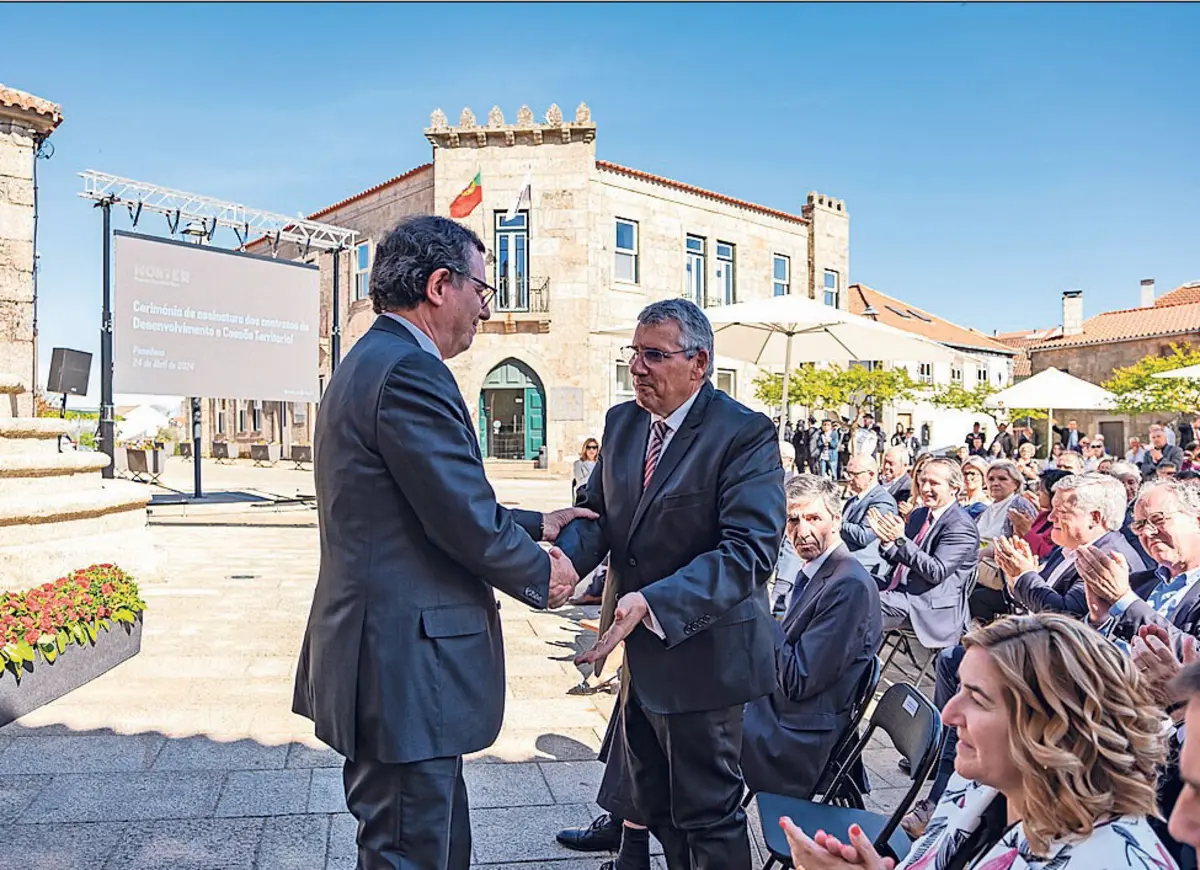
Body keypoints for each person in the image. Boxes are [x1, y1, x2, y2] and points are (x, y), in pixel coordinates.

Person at [292, 215, 590, 869]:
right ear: (438, 286)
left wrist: (537, 523)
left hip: (390, 664)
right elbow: (459, 519)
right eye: (481, 291)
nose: (485, 308)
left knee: (429, 841)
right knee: (411, 850)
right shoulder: (408, 372)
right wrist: (548, 577)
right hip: (402, 669)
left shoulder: (373, 358)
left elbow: (422, 501)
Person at [556, 298, 786, 870]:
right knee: (656, 807)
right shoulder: (622, 423)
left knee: (708, 818)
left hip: (706, 662)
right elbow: (600, 518)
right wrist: (557, 566)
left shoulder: (744, 434)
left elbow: (749, 552)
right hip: (641, 660)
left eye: (654, 355)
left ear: (698, 362)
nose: (638, 367)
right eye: (634, 353)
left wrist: (652, 601)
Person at [778, 613, 1172, 870]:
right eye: (959, 689)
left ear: (1053, 727)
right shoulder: (979, 785)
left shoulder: (1112, 860)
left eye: (978, 699)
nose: (948, 716)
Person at [741, 475, 882, 800]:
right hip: (782, 709)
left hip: (798, 734)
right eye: (793, 520)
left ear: (837, 520)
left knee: (690, 724)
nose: (802, 531)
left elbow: (798, 680)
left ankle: (700, 836)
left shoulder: (849, 585)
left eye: (813, 518)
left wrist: (759, 608)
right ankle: (635, 825)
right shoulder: (820, 572)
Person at [867, 457, 980, 651]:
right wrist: (887, 541)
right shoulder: (920, 514)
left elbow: (935, 571)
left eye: (934, 483)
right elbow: (902, 557)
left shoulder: (960, 526)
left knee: (857, 606)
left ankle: (852, 672)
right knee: (847, 584)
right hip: (899, 589)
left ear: (954, 488)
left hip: (926, 604)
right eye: (922, 481)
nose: (925, 488)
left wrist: (900, 540)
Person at [995, 472, 1145, 617]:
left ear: (1094, 517)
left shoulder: (1107, 558)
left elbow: (1067, 616)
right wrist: (1014, 576)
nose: (1051, 517)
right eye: (1052, 508)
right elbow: (1037, 596)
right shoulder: (1069, 546)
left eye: (1061, 511)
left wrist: (1024, 575)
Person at [840, 454, 900, 584]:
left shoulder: (883, 501)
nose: (848, 478)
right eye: (847, 473)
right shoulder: (852, 500)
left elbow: (864, 536)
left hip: (867, 568)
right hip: (846, 562)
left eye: (854, 474)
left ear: (871, 474)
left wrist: (836, 523)